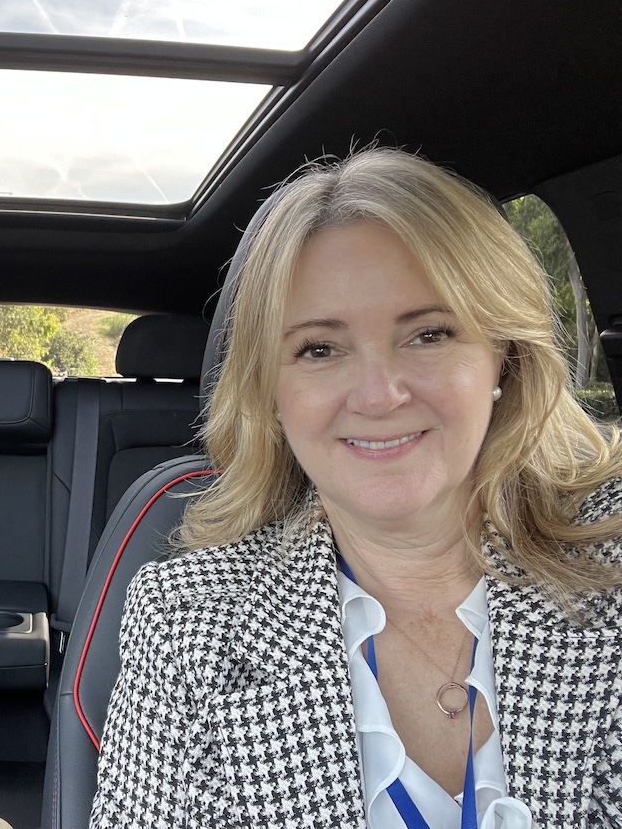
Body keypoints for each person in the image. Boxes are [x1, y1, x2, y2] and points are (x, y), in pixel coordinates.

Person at [89, 148, 622, 828]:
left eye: (428, 334)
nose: (378, 396)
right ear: (271, 391)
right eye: (320, 348)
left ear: (503, 358)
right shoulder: (189, 621)